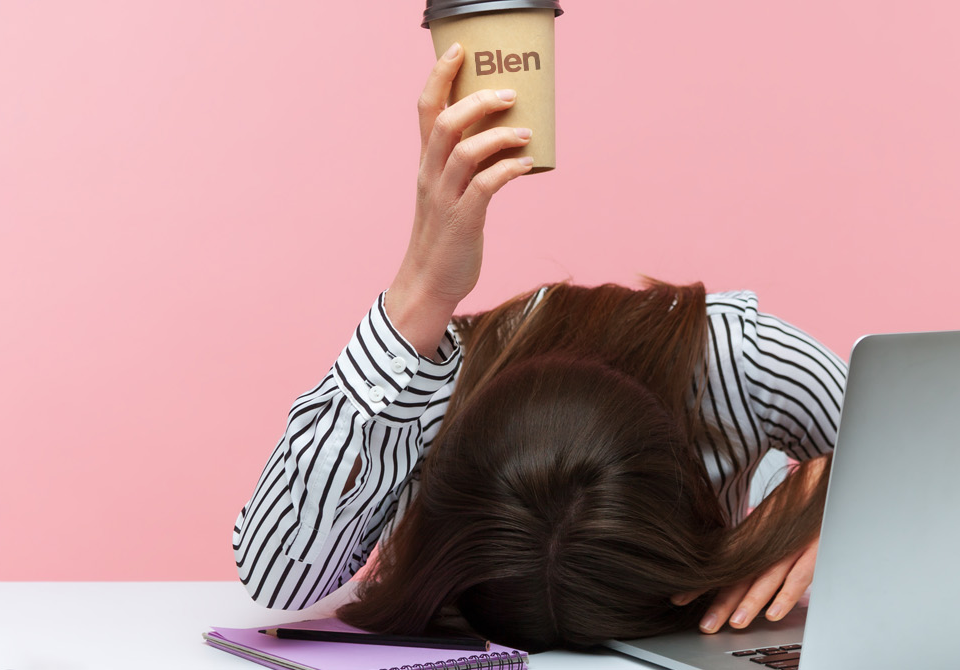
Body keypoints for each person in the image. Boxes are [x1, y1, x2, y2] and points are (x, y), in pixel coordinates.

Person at [231, 43, 846, 653]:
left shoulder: (740, 361)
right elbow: (278, 573)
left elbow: (937, 462)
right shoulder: (424, 398)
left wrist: (844, 500)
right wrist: (417, 298)